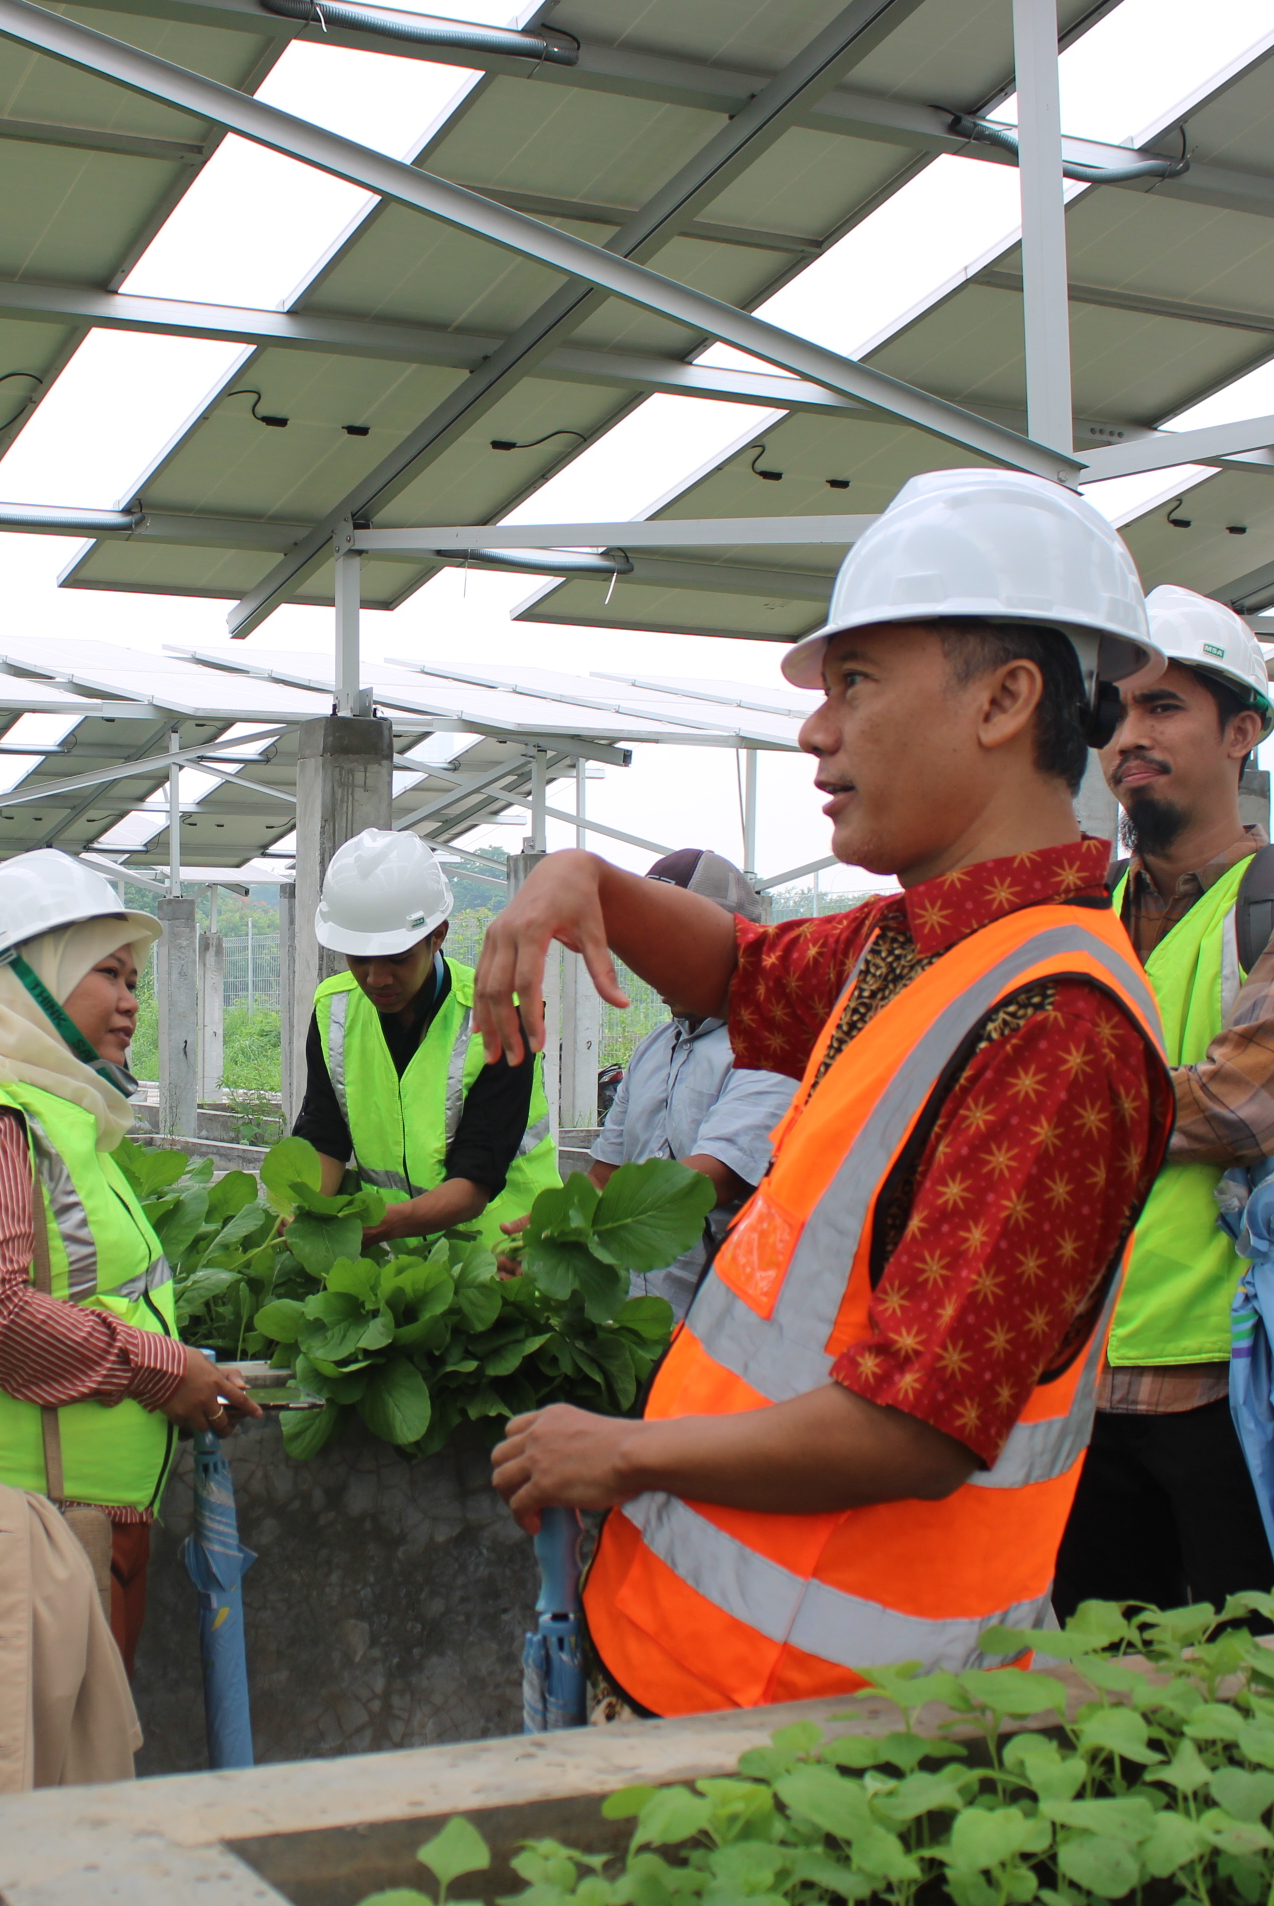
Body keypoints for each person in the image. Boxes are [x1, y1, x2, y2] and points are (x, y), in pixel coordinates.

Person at [478, 466, 1176, 1714]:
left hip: (827, 1723)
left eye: (854, 683)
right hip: (698, 1664)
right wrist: (587, 876)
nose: (815, 728)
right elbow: (742, 970)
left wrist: (625, 1450)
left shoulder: (1057, 1028)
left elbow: (915, 1427)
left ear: (1005, 701)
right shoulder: (912, 943)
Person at [1053, 586, 1274, 1617]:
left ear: (1242, 732)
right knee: (1107, 1689)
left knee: (1272, 1676)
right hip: (1090, 1371)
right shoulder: (1075, 915)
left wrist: (1047, 1114)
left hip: (1245, 1370)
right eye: (1118, 717)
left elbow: (1251, 1101)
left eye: (1165, 710)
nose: (1130, 741)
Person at [0, 848, 261, 1676]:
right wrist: (166, 1371)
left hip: (68, 1529)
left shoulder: (57, 1119)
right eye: (110, 976)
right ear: (34, 981)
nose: (131, 1004)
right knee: (21, 1793)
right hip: (1, 1535)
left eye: (135, 983)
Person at [289, 827, 563, 1243]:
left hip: (506, 1260)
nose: (377, 978)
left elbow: (476, 1178)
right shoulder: (335, 1009)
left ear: (437, 936)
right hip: (401, 1269)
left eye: (397, 959)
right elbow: (324, 1135)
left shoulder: (499, 1013)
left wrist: (373, 1229)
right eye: (359, 960)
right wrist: (305, 1214)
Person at [582, 849, 798, 1320]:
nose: (651, 962)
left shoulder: (768, 1050)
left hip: (719, 1327)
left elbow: (710, 1181)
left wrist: (584, 1225)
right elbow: (606, 1174)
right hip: (632, 1320)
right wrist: (554, 1232)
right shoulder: (656, 1046)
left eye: (670, 943)